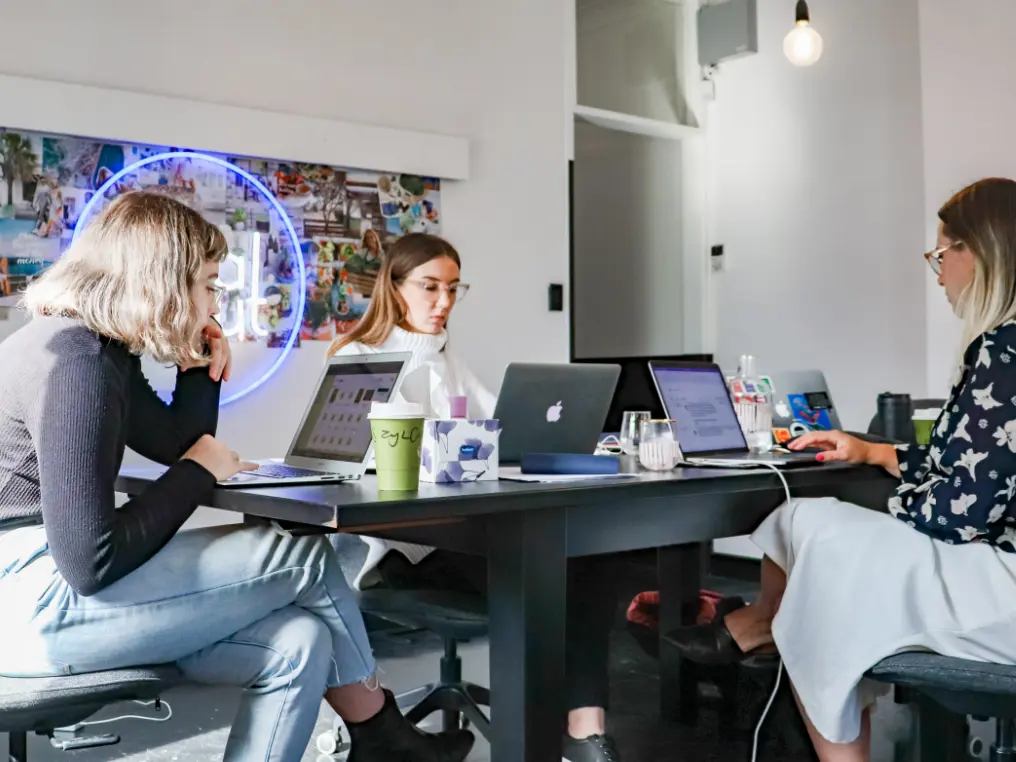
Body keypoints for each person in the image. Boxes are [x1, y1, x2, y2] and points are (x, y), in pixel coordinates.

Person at [0, 192, 474, 762]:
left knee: (302, 640)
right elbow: (89, 560)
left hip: (40, 591)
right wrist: (199, 472)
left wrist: (198, 370)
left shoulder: (96, 349)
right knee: (301, 553)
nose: (214, 300)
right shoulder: (78, 362)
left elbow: (178, 443)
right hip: (29, 602)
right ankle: (385, 736)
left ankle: (381, 740)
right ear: (164, 282)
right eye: (207, 284)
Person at [666, 177, 1016, 762]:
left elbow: (954, 515)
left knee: (818, 539)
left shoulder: (1001, 353)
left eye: (939, 255)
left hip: (1000, 586)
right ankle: (765, 624)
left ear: (975, 253)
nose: (937, 274)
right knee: (812, 527)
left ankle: (765, 626)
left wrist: (889, 506)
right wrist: (874, 452)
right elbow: (982, 468)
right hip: (998, 565)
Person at [330, 233, 623, 762]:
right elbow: (374, 466)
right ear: (395, 288)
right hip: (402, 549)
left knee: (583, 558)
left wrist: (579, 438)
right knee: (561, 571)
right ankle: (566, 731)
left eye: (452, 289)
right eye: (430, 287)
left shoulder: (446, 358)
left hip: (464, 535)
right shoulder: (357, 356)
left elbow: (502, 425)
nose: (443, 303)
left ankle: (585, 729)